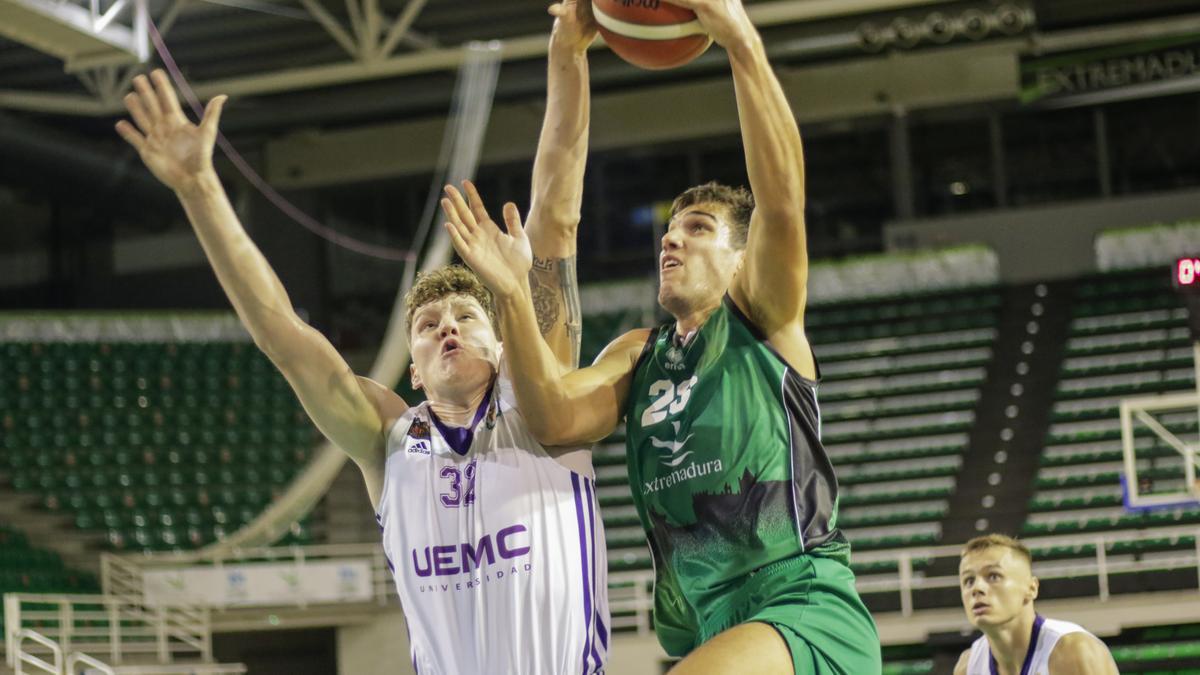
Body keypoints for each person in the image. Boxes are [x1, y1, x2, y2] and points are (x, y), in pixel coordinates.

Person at [113, 2, 609, 671]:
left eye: (466, 317)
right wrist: (201, 189)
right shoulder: (389, 441)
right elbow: (284, 335)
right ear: (413, 370)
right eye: (428, 328)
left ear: (500, 343)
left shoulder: (542, 404)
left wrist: (566, 54)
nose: (447, 330)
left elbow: (556, 216)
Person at [439, 0, 880, 671]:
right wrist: (568, 56)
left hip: (800, 605)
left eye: (699, 227)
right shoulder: (637, 355)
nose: (671, 237)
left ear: (741, 257)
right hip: (701, 628)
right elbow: (554, 415)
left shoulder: (760, 315)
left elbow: (782, 197)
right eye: (670, 228)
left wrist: (738, 40)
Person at [955, 534, 1119, 675]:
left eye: (993, 576)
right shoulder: (967, 667)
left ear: (1031, 588)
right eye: (969, 580)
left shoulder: (1074, 652)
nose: (977, 588)